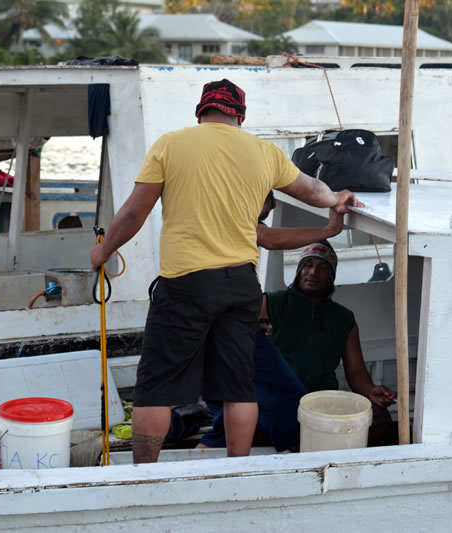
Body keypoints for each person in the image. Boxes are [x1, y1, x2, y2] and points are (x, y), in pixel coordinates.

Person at [90, 78, 363, 463]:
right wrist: (339, 198)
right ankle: (238, 465)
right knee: (239, 387)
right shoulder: (263, 152)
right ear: (241, 116)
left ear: (201, 112)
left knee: (156, 389)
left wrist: (103, 250)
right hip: (240, 285)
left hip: (186, 283)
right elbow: (312, 191)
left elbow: (135, 212)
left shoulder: (171, 144)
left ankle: (142, 475)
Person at [199, 240, 396, 451]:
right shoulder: (270, 302)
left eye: (322, 267)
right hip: (275, 400)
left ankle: (303, 444)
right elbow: (241, 346)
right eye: (307, 265)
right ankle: (305, 444)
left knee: (382, 422)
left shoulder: (344, 319)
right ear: (298, 271)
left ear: (332, 276)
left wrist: (371, 390)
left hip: (321, 404)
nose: (312, 272)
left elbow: (356, 372)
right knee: (249, 421)